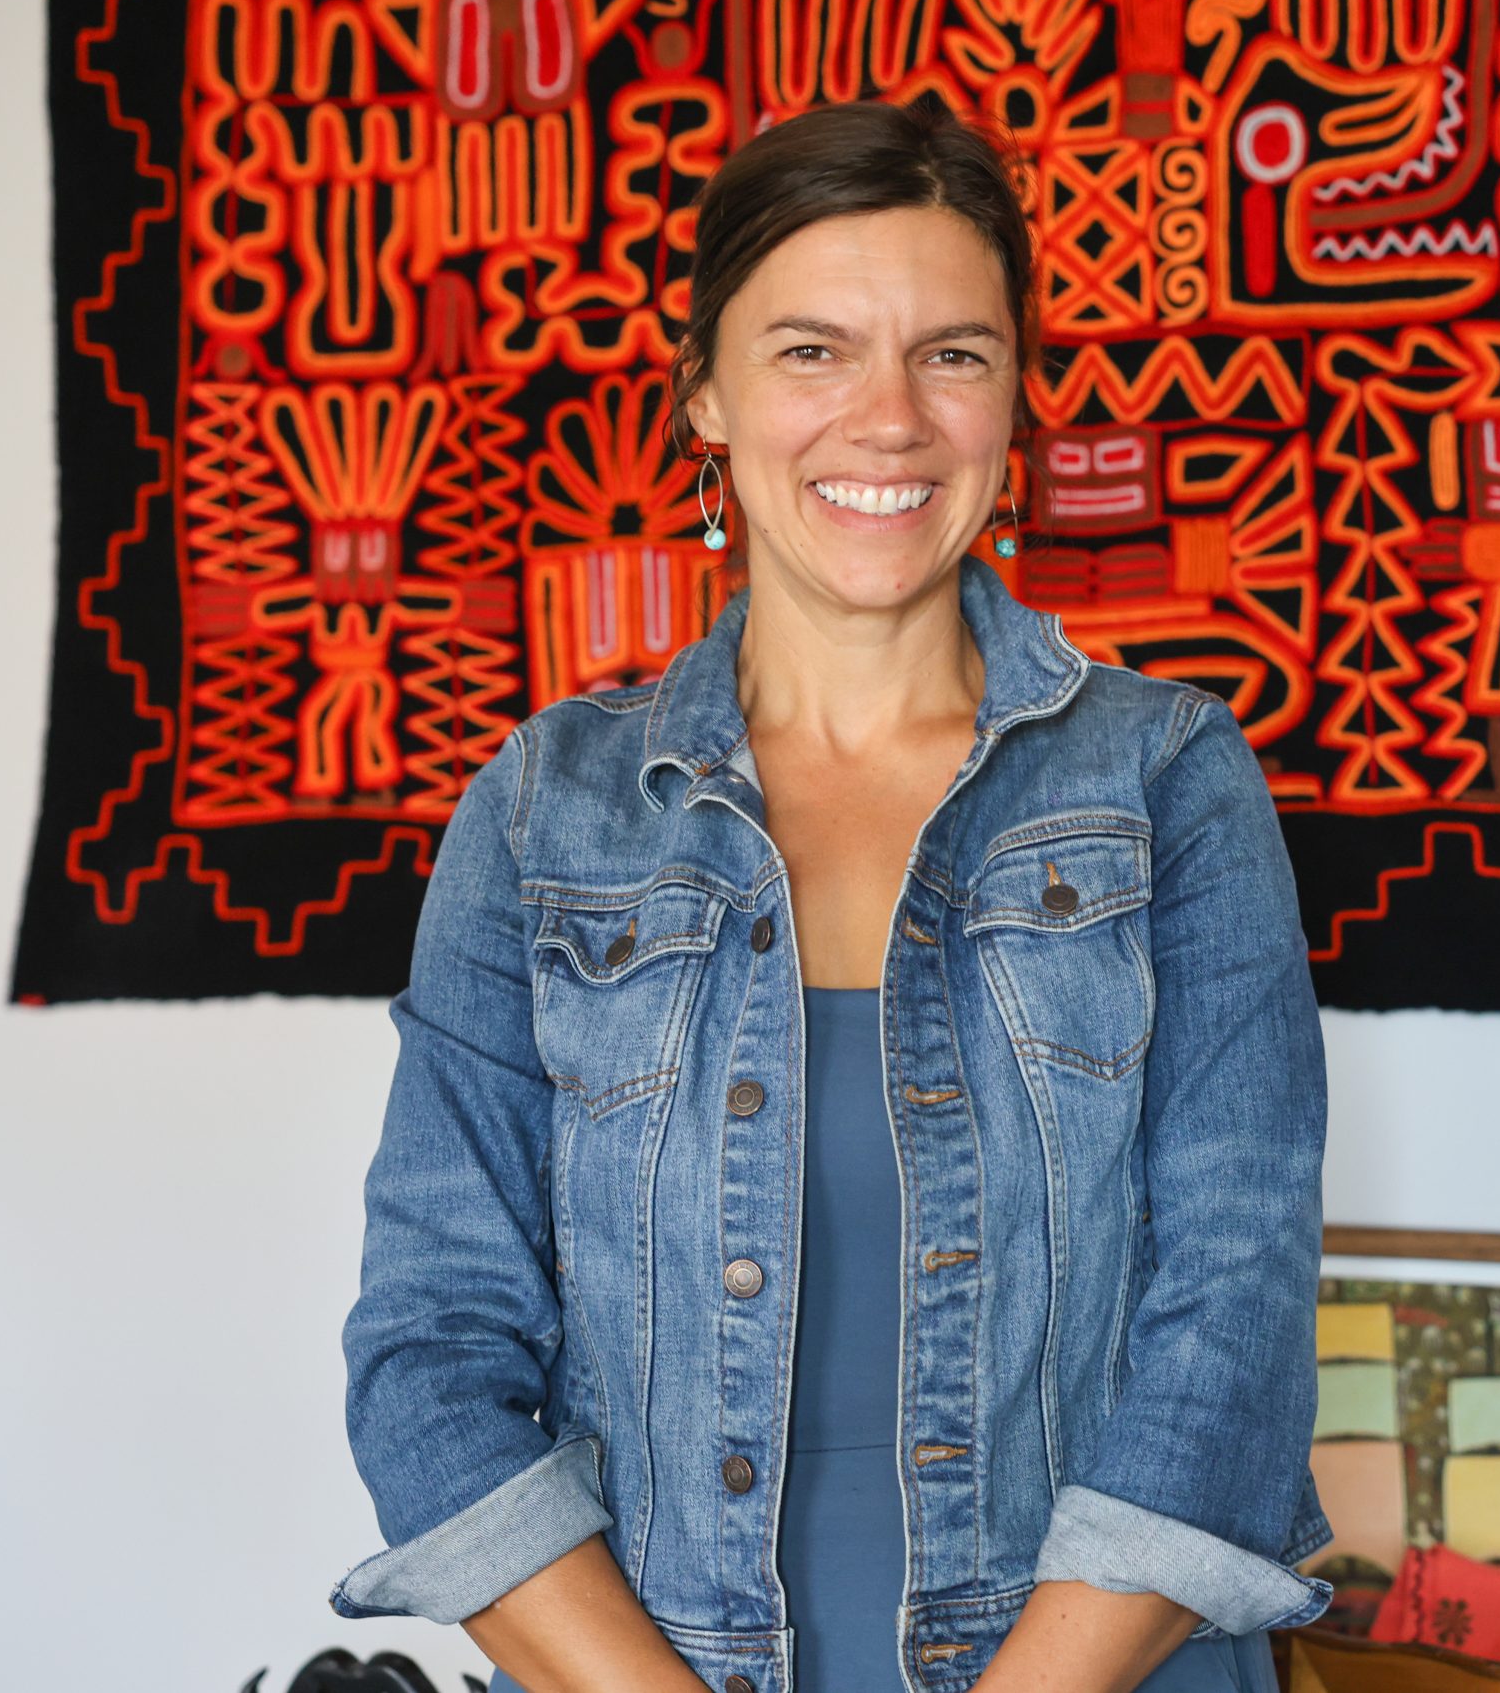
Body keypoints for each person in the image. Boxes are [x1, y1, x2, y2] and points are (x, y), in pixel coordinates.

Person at [327, 94, 1334, 1693]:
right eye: (812, 351)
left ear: (1012, 401)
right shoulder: (543, 810)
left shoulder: (1167, 780)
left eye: (954, 351)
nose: (891, 419)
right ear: (707, 398)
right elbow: (429, 1359)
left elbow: (1238, 1320)